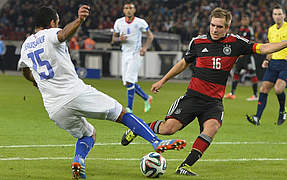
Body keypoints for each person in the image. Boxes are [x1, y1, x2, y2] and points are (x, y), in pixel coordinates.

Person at [120, 7, 287, 176]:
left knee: (212, 128)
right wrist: (162, 80)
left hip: (213, 102)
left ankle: (185, 166)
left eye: (219, 27)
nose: (214, 29)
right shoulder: (198, 42)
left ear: (227, 28)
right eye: (212, 25)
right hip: (193, 97)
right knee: (168, 129)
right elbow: (183, 63)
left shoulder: (236, 43)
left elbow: (264, 47)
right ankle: (138, 128)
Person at [17, 6, 186, 179]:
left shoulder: (26, 45)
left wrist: (36, 80)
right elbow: (62, 35)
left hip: (54, 108)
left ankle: (79, 160)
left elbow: (24, 70)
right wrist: (79, 20)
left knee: (88, 134)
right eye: (57, 23)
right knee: (122, 113)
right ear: (52, 22)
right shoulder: (51, 33)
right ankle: (156, 142)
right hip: (75, 93)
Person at [246, 4, 287, 126]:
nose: (277, 16)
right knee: (263, 89)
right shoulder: (271, 29)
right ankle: (257, 117)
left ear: (284, 15)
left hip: (286, 64)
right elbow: (271, 47)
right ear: (272, 16)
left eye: (280, 14)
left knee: (278, 89)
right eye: (275, 14)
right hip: (273, 63)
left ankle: (282, 110)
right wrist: (267, 60)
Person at [112, 1, 154, 113]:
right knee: (127, 83)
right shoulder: (119, 22)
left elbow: (150, 36)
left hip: (136, 54)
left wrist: (144, 48)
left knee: (130, 81)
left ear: (134, 10)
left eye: (131, 8)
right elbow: (113, 40)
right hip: (124, 54)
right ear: (123, 10)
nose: (128, 10)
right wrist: (118, 40)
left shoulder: (140, 22)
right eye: (126, 8)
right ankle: (146, 98)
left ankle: (129, 109)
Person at [224, 14, 259, 101]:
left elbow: (252, 42)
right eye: (243, 20)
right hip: (240, 56)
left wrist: (245, 51)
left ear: (248, 21)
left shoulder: (249, 30)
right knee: (236, 73)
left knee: (252, 74)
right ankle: (232, 93)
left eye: (245, 20)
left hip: (248, 56)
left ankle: (255, 95)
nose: (244, 21)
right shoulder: (240, 29)